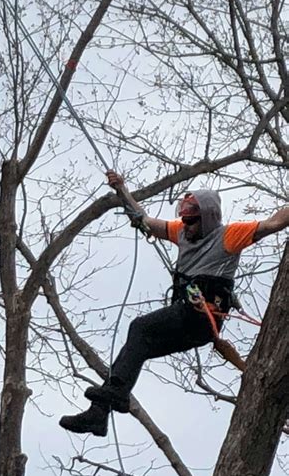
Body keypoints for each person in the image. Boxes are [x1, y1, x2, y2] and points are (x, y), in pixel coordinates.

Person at [59, 171, 289, 437]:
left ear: (207, 219)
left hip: (202, 317)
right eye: (184, 220)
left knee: (140, 327)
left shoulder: (229, 236)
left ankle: (116, 394)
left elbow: (273, 224)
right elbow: (146, 220)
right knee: (140, 344)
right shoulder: (181, 231)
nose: (186, 226)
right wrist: (122, 190)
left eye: (191, 222)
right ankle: (99, 414)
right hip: (187, 321)